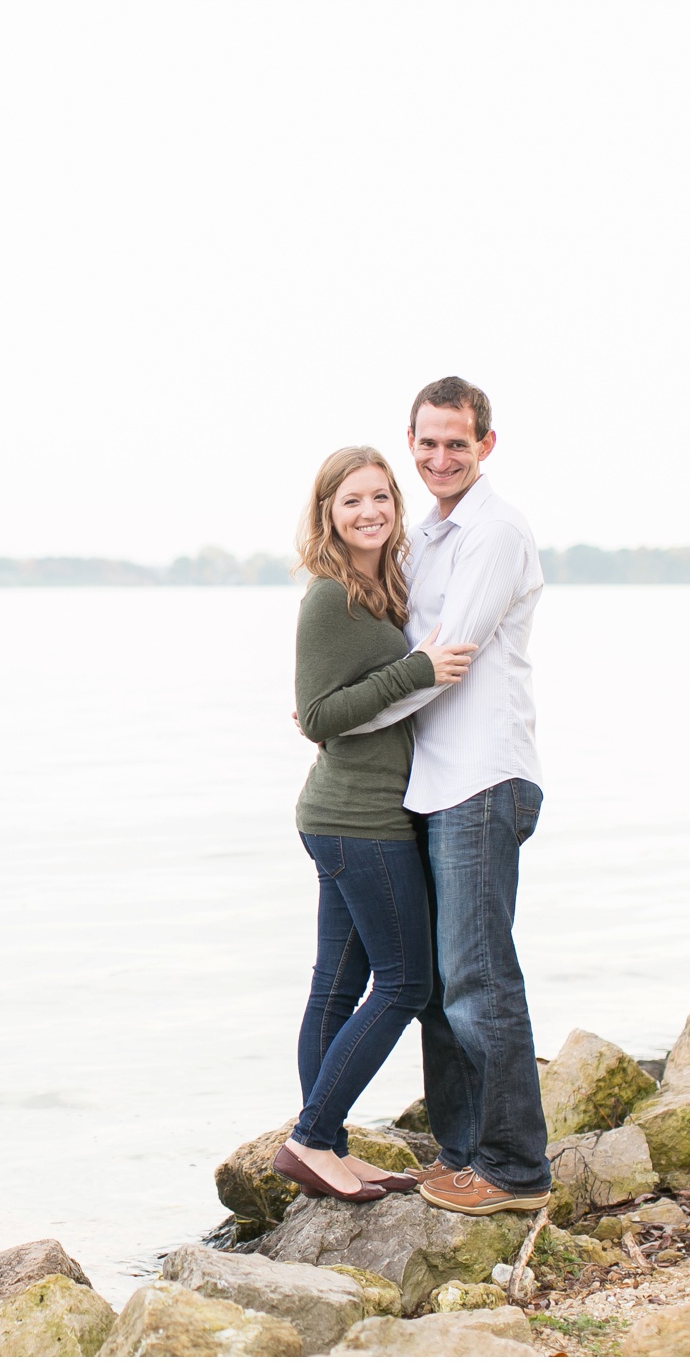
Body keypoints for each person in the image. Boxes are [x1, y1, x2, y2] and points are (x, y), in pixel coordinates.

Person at [341, 375, 551, 1215]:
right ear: (411, 439)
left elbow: (443, 658)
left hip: (484, 778)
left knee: (479, 978)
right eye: (425, 443)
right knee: (435, 986)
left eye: (456, 443)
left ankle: (514, 1170)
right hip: (432, 782)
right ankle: (463, 1154)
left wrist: (344, 719)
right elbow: (407, 647)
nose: (438, 458)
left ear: (485, 445)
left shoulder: (495, 533)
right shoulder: (425, 535)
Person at [271, 445, 477, 1202]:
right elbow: (322, 714)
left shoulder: (379, 588)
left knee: (339, 986)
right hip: (357, 820)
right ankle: (310, 1139)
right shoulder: (330, 596)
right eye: (351, 500)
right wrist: (418, 667)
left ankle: (327, 1147)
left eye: (381, 498)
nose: (369, 512)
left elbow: (334, 706)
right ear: (327, 511)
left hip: (354, 815)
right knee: (405, 981)